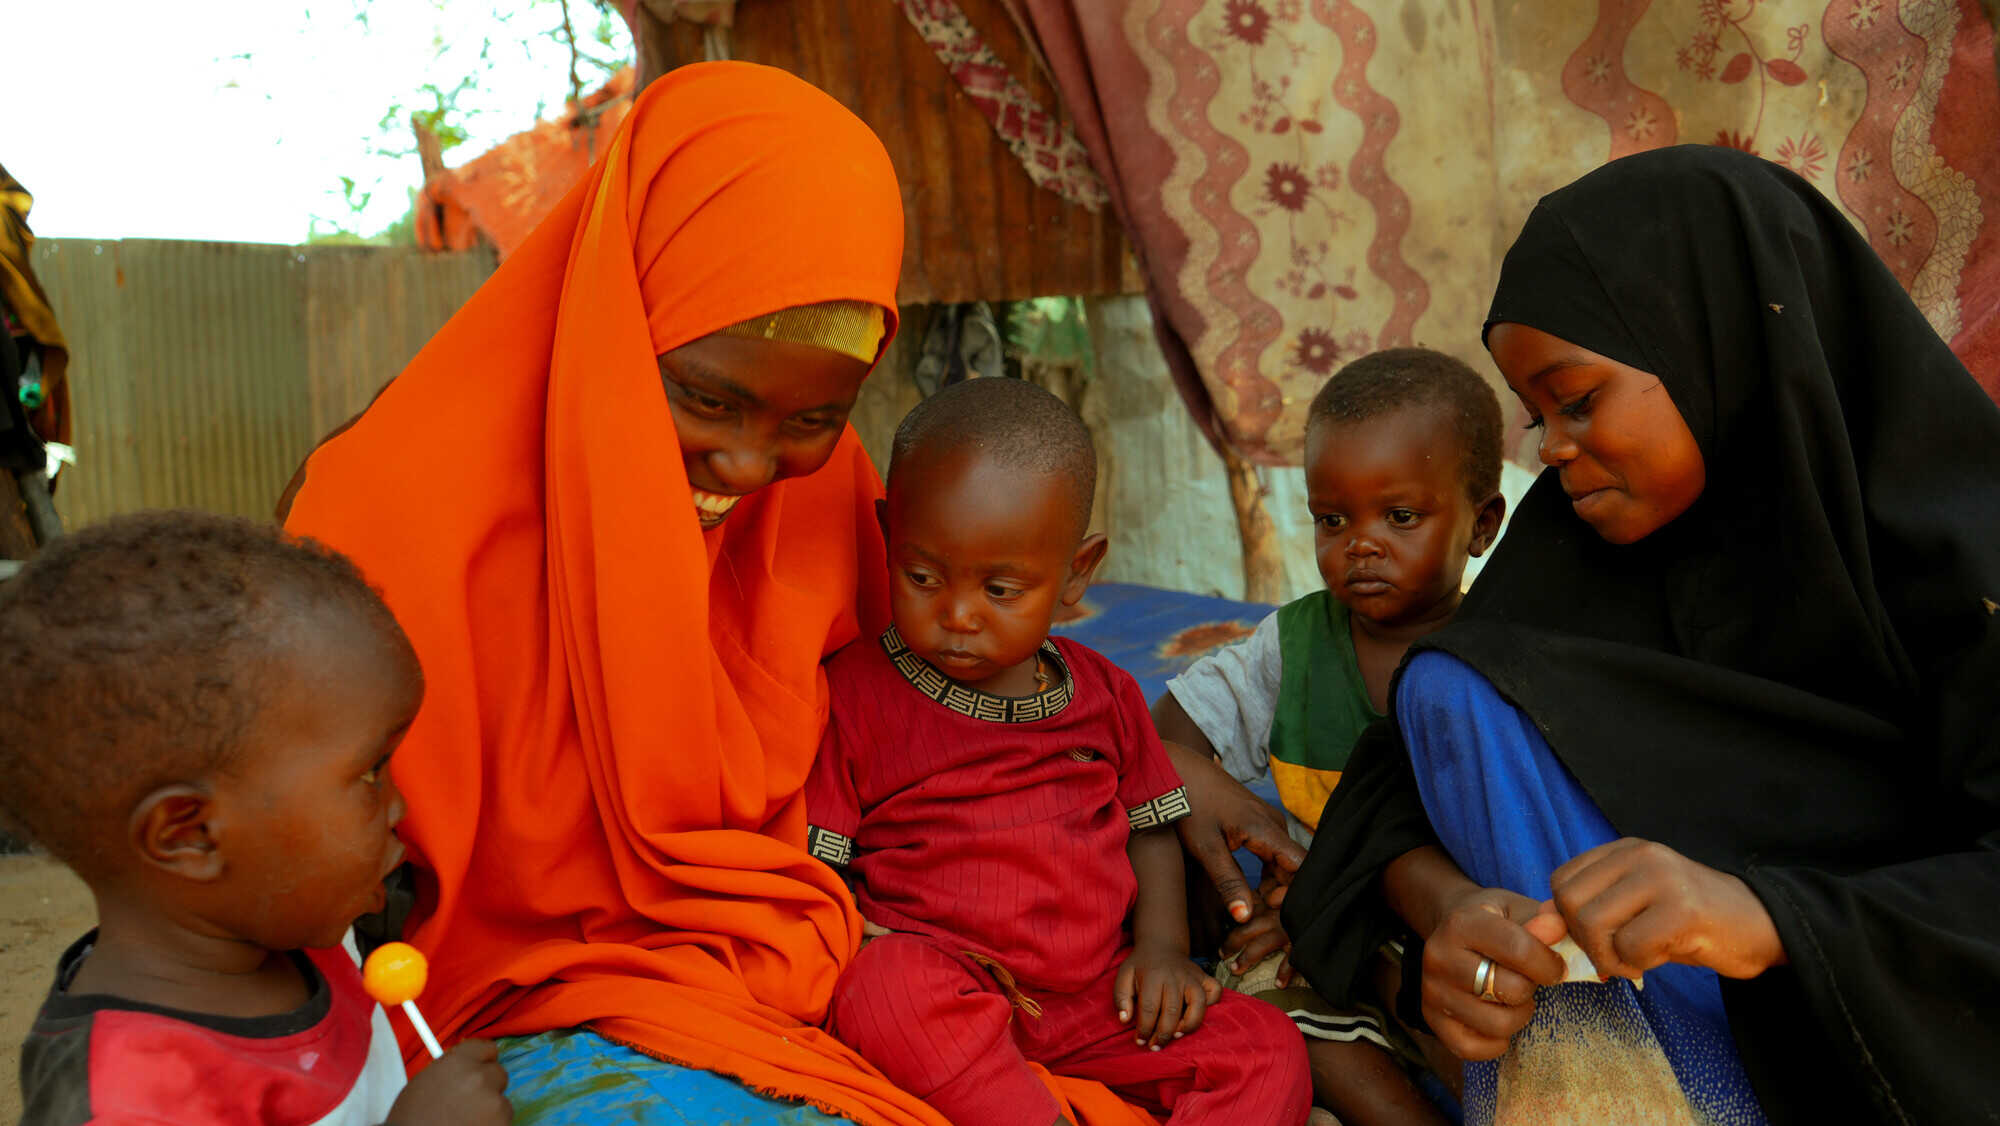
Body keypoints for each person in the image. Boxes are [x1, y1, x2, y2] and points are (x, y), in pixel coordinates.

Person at [279, 62, 1305, 1126]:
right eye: (703, 397)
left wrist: (1161, 767)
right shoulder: (396, 509)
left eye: (810, 419)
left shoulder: (840, 508)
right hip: (512, 1010)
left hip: (807, 975)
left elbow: (955, 703)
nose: (747, 465)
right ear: (615, 309)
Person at [1281, 143, 2000, 1125]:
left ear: (1716, 344)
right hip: (1619, 1068)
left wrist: (1769, 921)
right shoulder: (1572, 560)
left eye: (1576, 401)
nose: (1553, 450)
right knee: (1458, 689)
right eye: (1537, 418)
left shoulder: (1966, 563)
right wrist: (1447, 911)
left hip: (1876, 1044)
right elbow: (1384, 791)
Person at [805, 376, 1311, 1126]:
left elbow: (1150, 824)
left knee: (1265, 1048)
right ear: (887, 534)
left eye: (1001, 589)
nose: (958, 614)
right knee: (881, 988)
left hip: (1096, 998)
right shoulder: (852, 693)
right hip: (947, 981)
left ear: (1077, 574)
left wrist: (1164, 948)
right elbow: (820, 868)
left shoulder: (1104, 694)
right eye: (922, 576)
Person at [0, 512, 511, 1126]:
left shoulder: (299, 927)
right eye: (371, 771)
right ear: (190, 835)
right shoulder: (122, 1102)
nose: (399, 806)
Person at [1155, 349, 1502, 1126]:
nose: (1362, 544)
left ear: (1481, 523)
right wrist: (1224, 800)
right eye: (1332, 519)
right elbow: (1163, 741)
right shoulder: (1294, 648)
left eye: (1401, 517)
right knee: (1268, 1011)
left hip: (1447, 930)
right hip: (1306, 930)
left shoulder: (1507, 654)